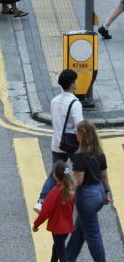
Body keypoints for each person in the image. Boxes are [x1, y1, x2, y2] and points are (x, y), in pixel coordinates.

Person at [34, 69, 83, 213]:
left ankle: (41, 202)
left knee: (53, 174)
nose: (76, 82)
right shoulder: (75, 103)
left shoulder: (54, 101)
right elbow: (79, 127)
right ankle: (74, 198)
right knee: (80, 169)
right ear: (72, 83)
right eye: (75, 80)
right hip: (73, 144)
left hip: (57, 143)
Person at [66, 120, 111, 261]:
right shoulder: (99, 153)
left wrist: (65, 188)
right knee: (78, 231)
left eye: (77, 132)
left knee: (93, 236)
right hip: (98, 193)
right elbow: (104, 176)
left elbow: (78, 181)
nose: (75, 134)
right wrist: (106, 193)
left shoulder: (80, 156)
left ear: (82, 135)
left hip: (87, 198)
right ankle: (67, 258)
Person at [32, 161, 75, 262]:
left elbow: (45, 212)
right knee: (56, 248)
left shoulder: (54, 193)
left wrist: (36, 225)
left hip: (57, 228)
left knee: (62, 253)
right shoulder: (70, 190)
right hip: (67, 227)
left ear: (55, 176)